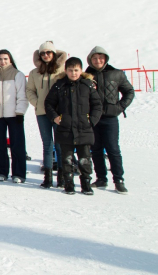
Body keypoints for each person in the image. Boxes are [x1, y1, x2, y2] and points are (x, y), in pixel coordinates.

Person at [44, 57, 102, 195]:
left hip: (84, 128)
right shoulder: (59, 85)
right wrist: (55, 118)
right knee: (67, 158)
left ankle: (86, 183)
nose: (73, 73)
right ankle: (68, 183)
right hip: (65, 129)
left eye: (76, 70)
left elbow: (97, 105)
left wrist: (92, 120)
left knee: (84, 159)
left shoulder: (87, 85)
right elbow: (49, 103)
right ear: (66, 70)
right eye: (70, 70)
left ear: (81, 71)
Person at [85, 46, 134, 193]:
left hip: (110, 118)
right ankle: (101, 178)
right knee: (96, 149)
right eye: (94, 58)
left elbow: (129, 91)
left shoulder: (116, 74)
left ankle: (118, 179)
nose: (98, 60)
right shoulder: (86, 75)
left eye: (100, 58)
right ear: (90, 60)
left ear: (105, 59)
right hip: (93, 118)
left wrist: (119, 107)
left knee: (113, 149)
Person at [26, 41, 67, 188]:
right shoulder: (34, 73)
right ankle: (48, 177)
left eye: (49, 52)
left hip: (58, 113)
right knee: (47, 144)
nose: (46, 55)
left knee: (60, 143)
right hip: (42, 112)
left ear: (54, 54)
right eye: (43, 53)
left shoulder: (62, 70)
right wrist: (37, 103)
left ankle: (62, 176)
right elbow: (29, 90)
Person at [0, 49, 29, 183]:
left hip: (14, 115)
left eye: (5, 59)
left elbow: (22, 95)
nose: (3, 61)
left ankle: (18, 173)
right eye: (0, 59)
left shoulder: (17, 75)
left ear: (10, 60)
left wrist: (20, 112)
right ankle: (0, 171)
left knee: (17, 144)